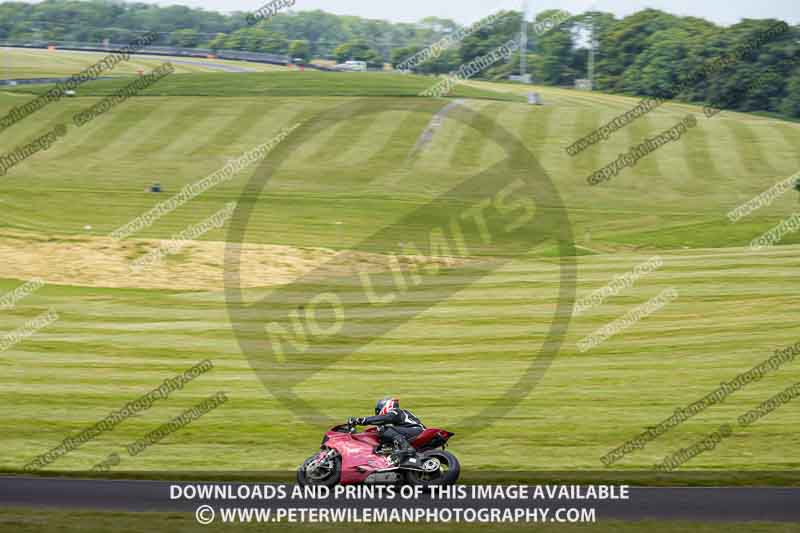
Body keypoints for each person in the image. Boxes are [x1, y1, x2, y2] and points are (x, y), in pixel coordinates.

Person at [349, 397, 425, 465]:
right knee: (380, 431)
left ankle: (407, 448)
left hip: (416, 430)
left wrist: (362, 420)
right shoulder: (398, 413)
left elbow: (385, 418)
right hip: (413, 431)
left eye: (379, 409)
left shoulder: (395, 411)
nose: (378, 412)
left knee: (385, 429)